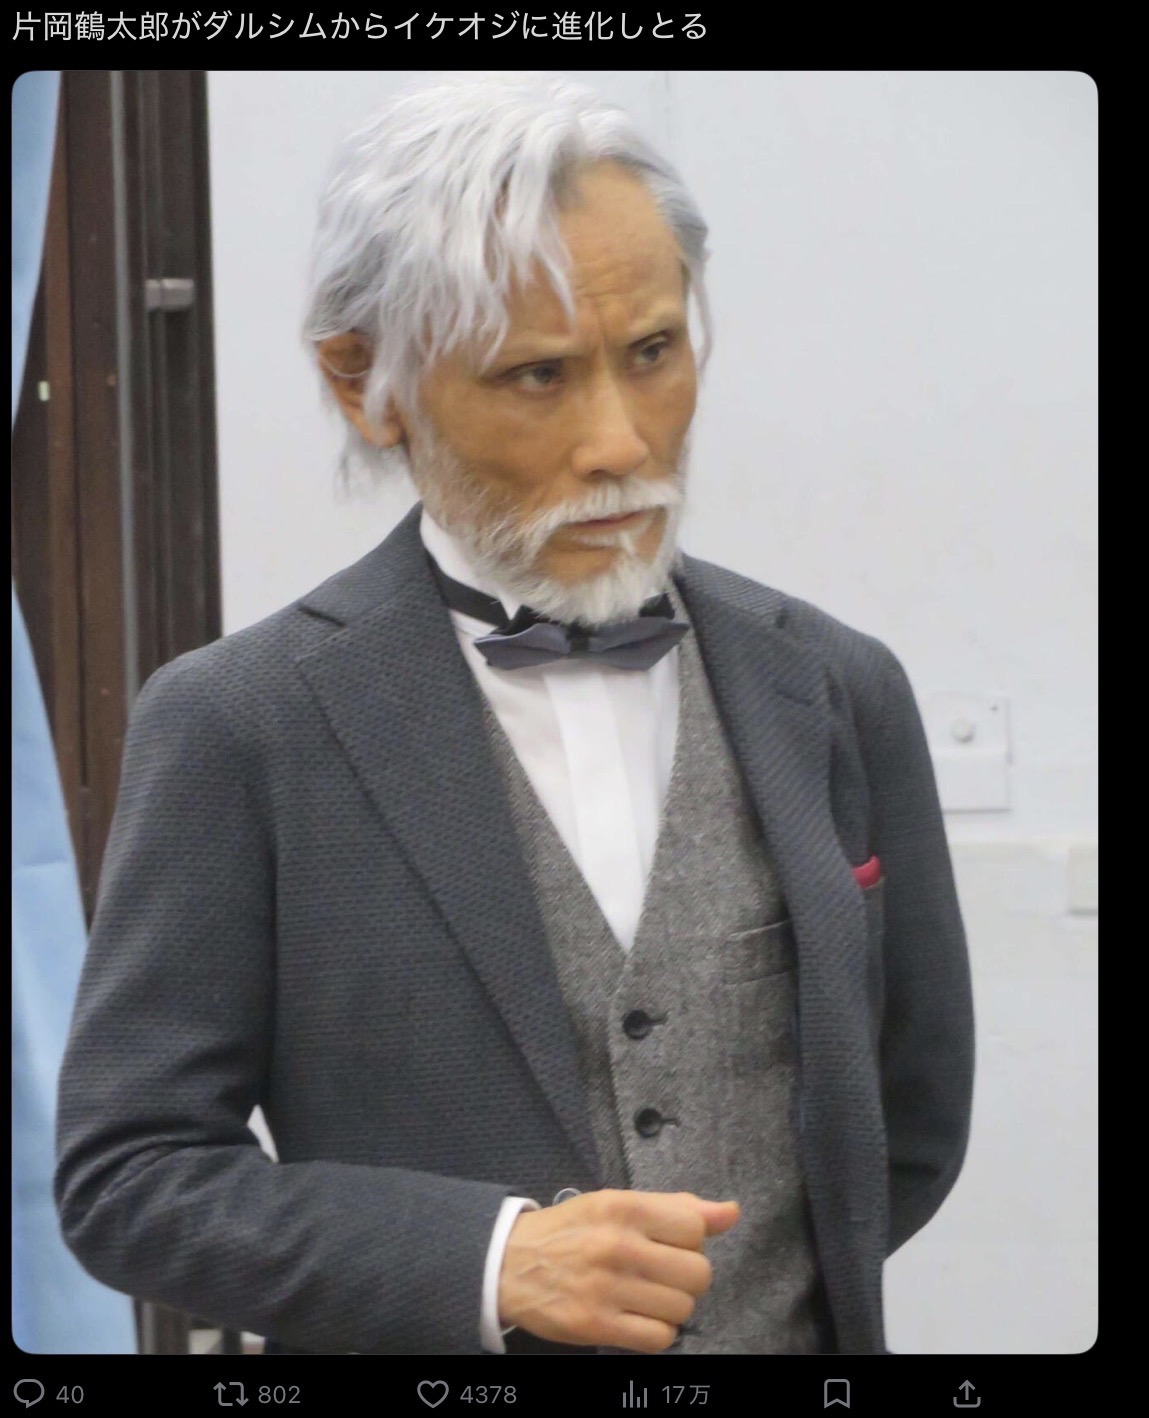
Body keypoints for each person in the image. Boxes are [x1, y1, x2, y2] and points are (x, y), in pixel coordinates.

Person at [55, 75, 974, 1357]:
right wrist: (485, 1264)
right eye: (537, 374)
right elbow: (131, 1178)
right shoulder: (238, 724)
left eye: (652, 352)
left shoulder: (835, 685)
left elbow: (908, 1127)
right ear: (364, 382)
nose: (620, 442)